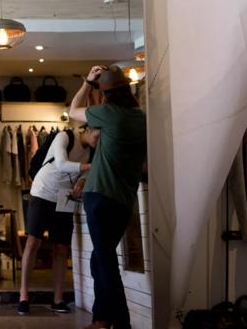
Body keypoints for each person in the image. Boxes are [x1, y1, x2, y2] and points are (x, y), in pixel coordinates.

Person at [69, 65, 147, 329]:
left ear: (105, 95)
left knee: (106, 262)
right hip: (124, 201)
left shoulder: (105, 113)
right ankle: (101, 318)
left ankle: (121, 323)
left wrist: (87, 82)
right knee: (100, 258)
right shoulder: (141, 118)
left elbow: (72, 111)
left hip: (99, 195)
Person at [18, 124, 99, 316]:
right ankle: (23, 295)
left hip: (66, 195)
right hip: (43, 190)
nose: (99, 138)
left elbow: (85, 174)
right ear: (87, 128)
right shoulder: (65, 136)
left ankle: (58, 298)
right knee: (33, 242)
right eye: (98, 133)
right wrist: (89, 167)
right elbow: (62, 164)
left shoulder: (92, 152)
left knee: (61, 247)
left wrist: (82, 179)